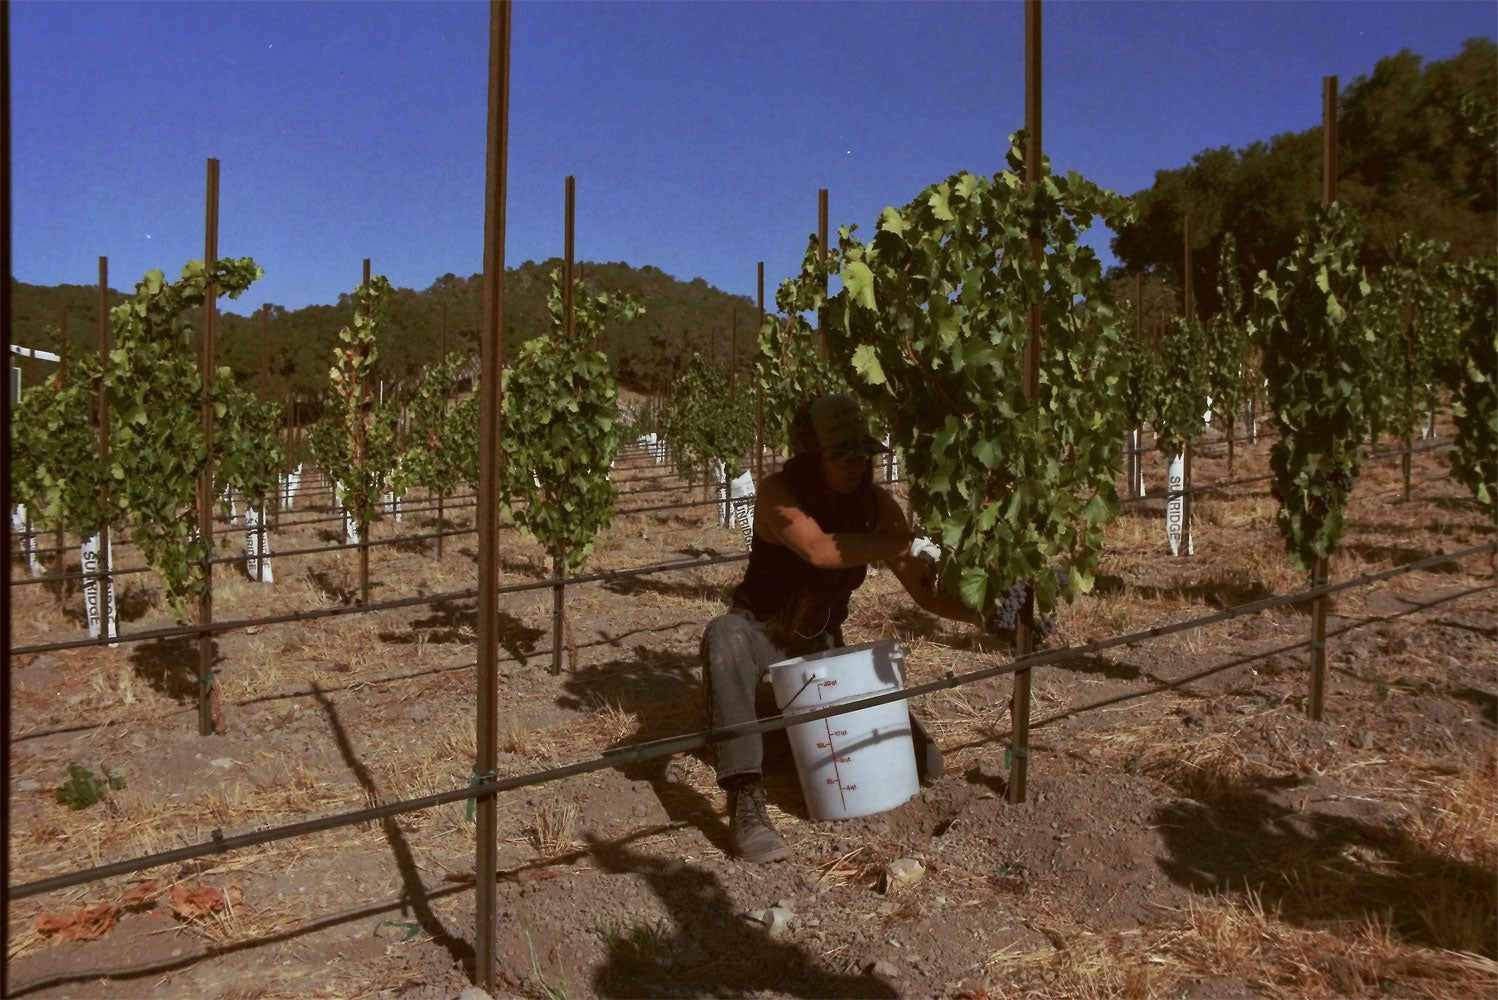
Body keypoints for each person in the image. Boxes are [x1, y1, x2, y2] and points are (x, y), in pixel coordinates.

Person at [700, 394, 981, 863]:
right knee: (722, 634)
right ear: (814, 457)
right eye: (843, 455)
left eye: (864, 455)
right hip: (761, 642)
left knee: (925, 763)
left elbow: (925, 592)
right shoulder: (778, 494)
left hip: (822, 651)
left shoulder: (877, 507)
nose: (857, 466)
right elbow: (818, 549)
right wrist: (901, 541)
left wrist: (985, 613)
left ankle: (783, 738)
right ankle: (745, 796)